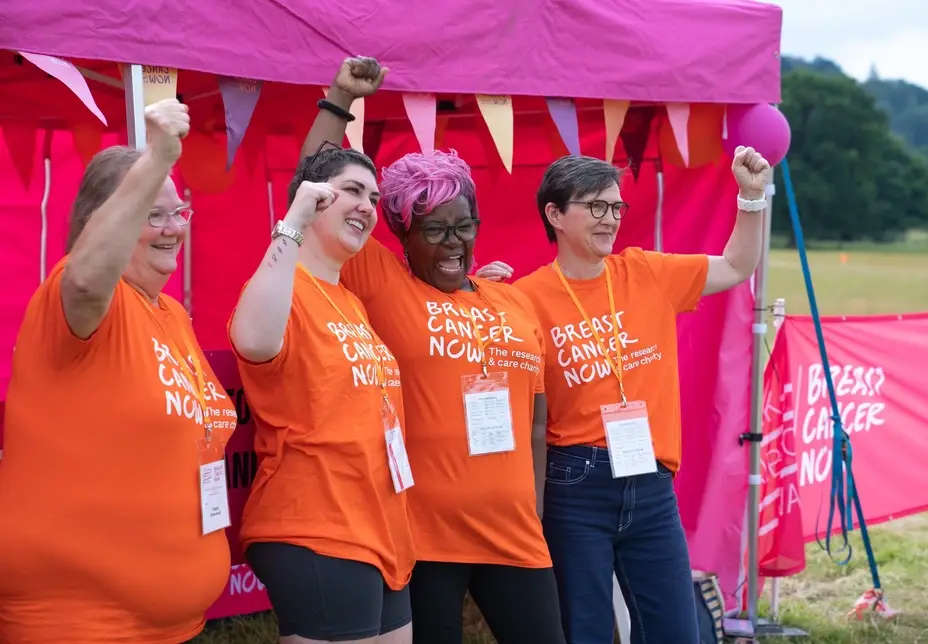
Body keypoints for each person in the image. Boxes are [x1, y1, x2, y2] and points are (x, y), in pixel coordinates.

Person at [302, 58, 566, 644]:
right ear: (400, 233)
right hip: (423, 537)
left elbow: (538, 423)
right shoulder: (385, 285)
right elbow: (311, 186)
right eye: (434, 230)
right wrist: (340, 97)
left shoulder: (514, 302)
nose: (455, 244)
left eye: (464, 226)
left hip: (517, 535)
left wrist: (537, 510)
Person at [0, 100, 239, 643]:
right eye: (152, 214)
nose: (173, 228)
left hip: (172, 623)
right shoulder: (77, 301)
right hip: (79, 621)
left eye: (179, 212)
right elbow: (87, 281)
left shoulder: (172, 314)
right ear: (98, 224)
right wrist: (158, 156)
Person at [508, 150, 770, 644]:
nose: (610, 220)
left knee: (675, 631)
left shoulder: (645, 272)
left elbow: (736, 265)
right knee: (582, 630)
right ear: (555, 214)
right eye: (596, 207)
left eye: (616, 207)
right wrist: (484, 295)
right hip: (574, 483)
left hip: (650, 481)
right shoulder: (524, 298)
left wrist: (751, 197)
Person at [228, 57, 415, 644]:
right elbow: (255, 341)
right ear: (311, 202)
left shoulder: (350, 298)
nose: (367, 205)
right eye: (352, 191)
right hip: (315, 524)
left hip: (380, 525)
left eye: (374, 196)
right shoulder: (282, 283)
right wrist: (294, 214)